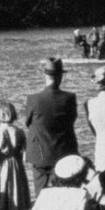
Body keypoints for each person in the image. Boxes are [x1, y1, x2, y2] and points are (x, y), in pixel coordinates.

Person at [22, 56, 82, 198]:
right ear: (60, 76)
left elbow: (28, 123)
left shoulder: (33, 99)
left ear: (45, 76)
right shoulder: (69, 98)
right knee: (64, 196)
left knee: (41, 196)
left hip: (40, 154)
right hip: (64, 153)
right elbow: (72, 120)